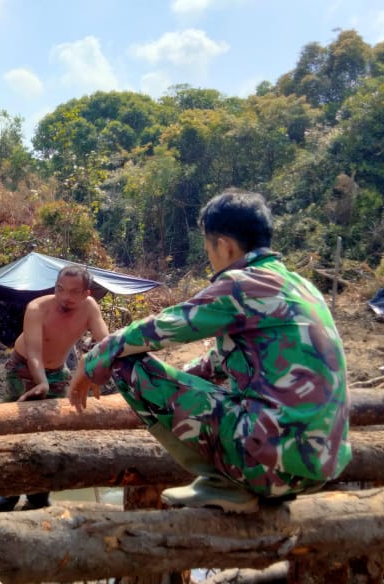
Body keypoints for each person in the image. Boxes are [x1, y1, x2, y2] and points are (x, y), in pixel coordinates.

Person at [69, 189, 350, 513]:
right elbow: (218, 361)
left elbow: (163, 327)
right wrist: (170, 391)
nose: (210, 260)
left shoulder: (242, 284)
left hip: (268, 462)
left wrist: (94, 360)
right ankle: (244, 483)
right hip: (322, 465)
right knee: (158, 373)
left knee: (125, 362)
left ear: (225, 245)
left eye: (209, 250)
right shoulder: (301, 286)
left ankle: (227, 483)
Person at [0, 265, 110, 513]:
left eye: (74, 292)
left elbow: (106, 343)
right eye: (60, 289)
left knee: (52, 433)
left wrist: (95, 373)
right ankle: (8, 494)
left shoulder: (90, 308)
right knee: (18, 430)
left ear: (87, 293)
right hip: (22, 367)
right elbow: (33, 352)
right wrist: (41, 381)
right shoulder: (37, 308)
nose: (66, 297)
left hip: (57, 372)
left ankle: (39, 494)